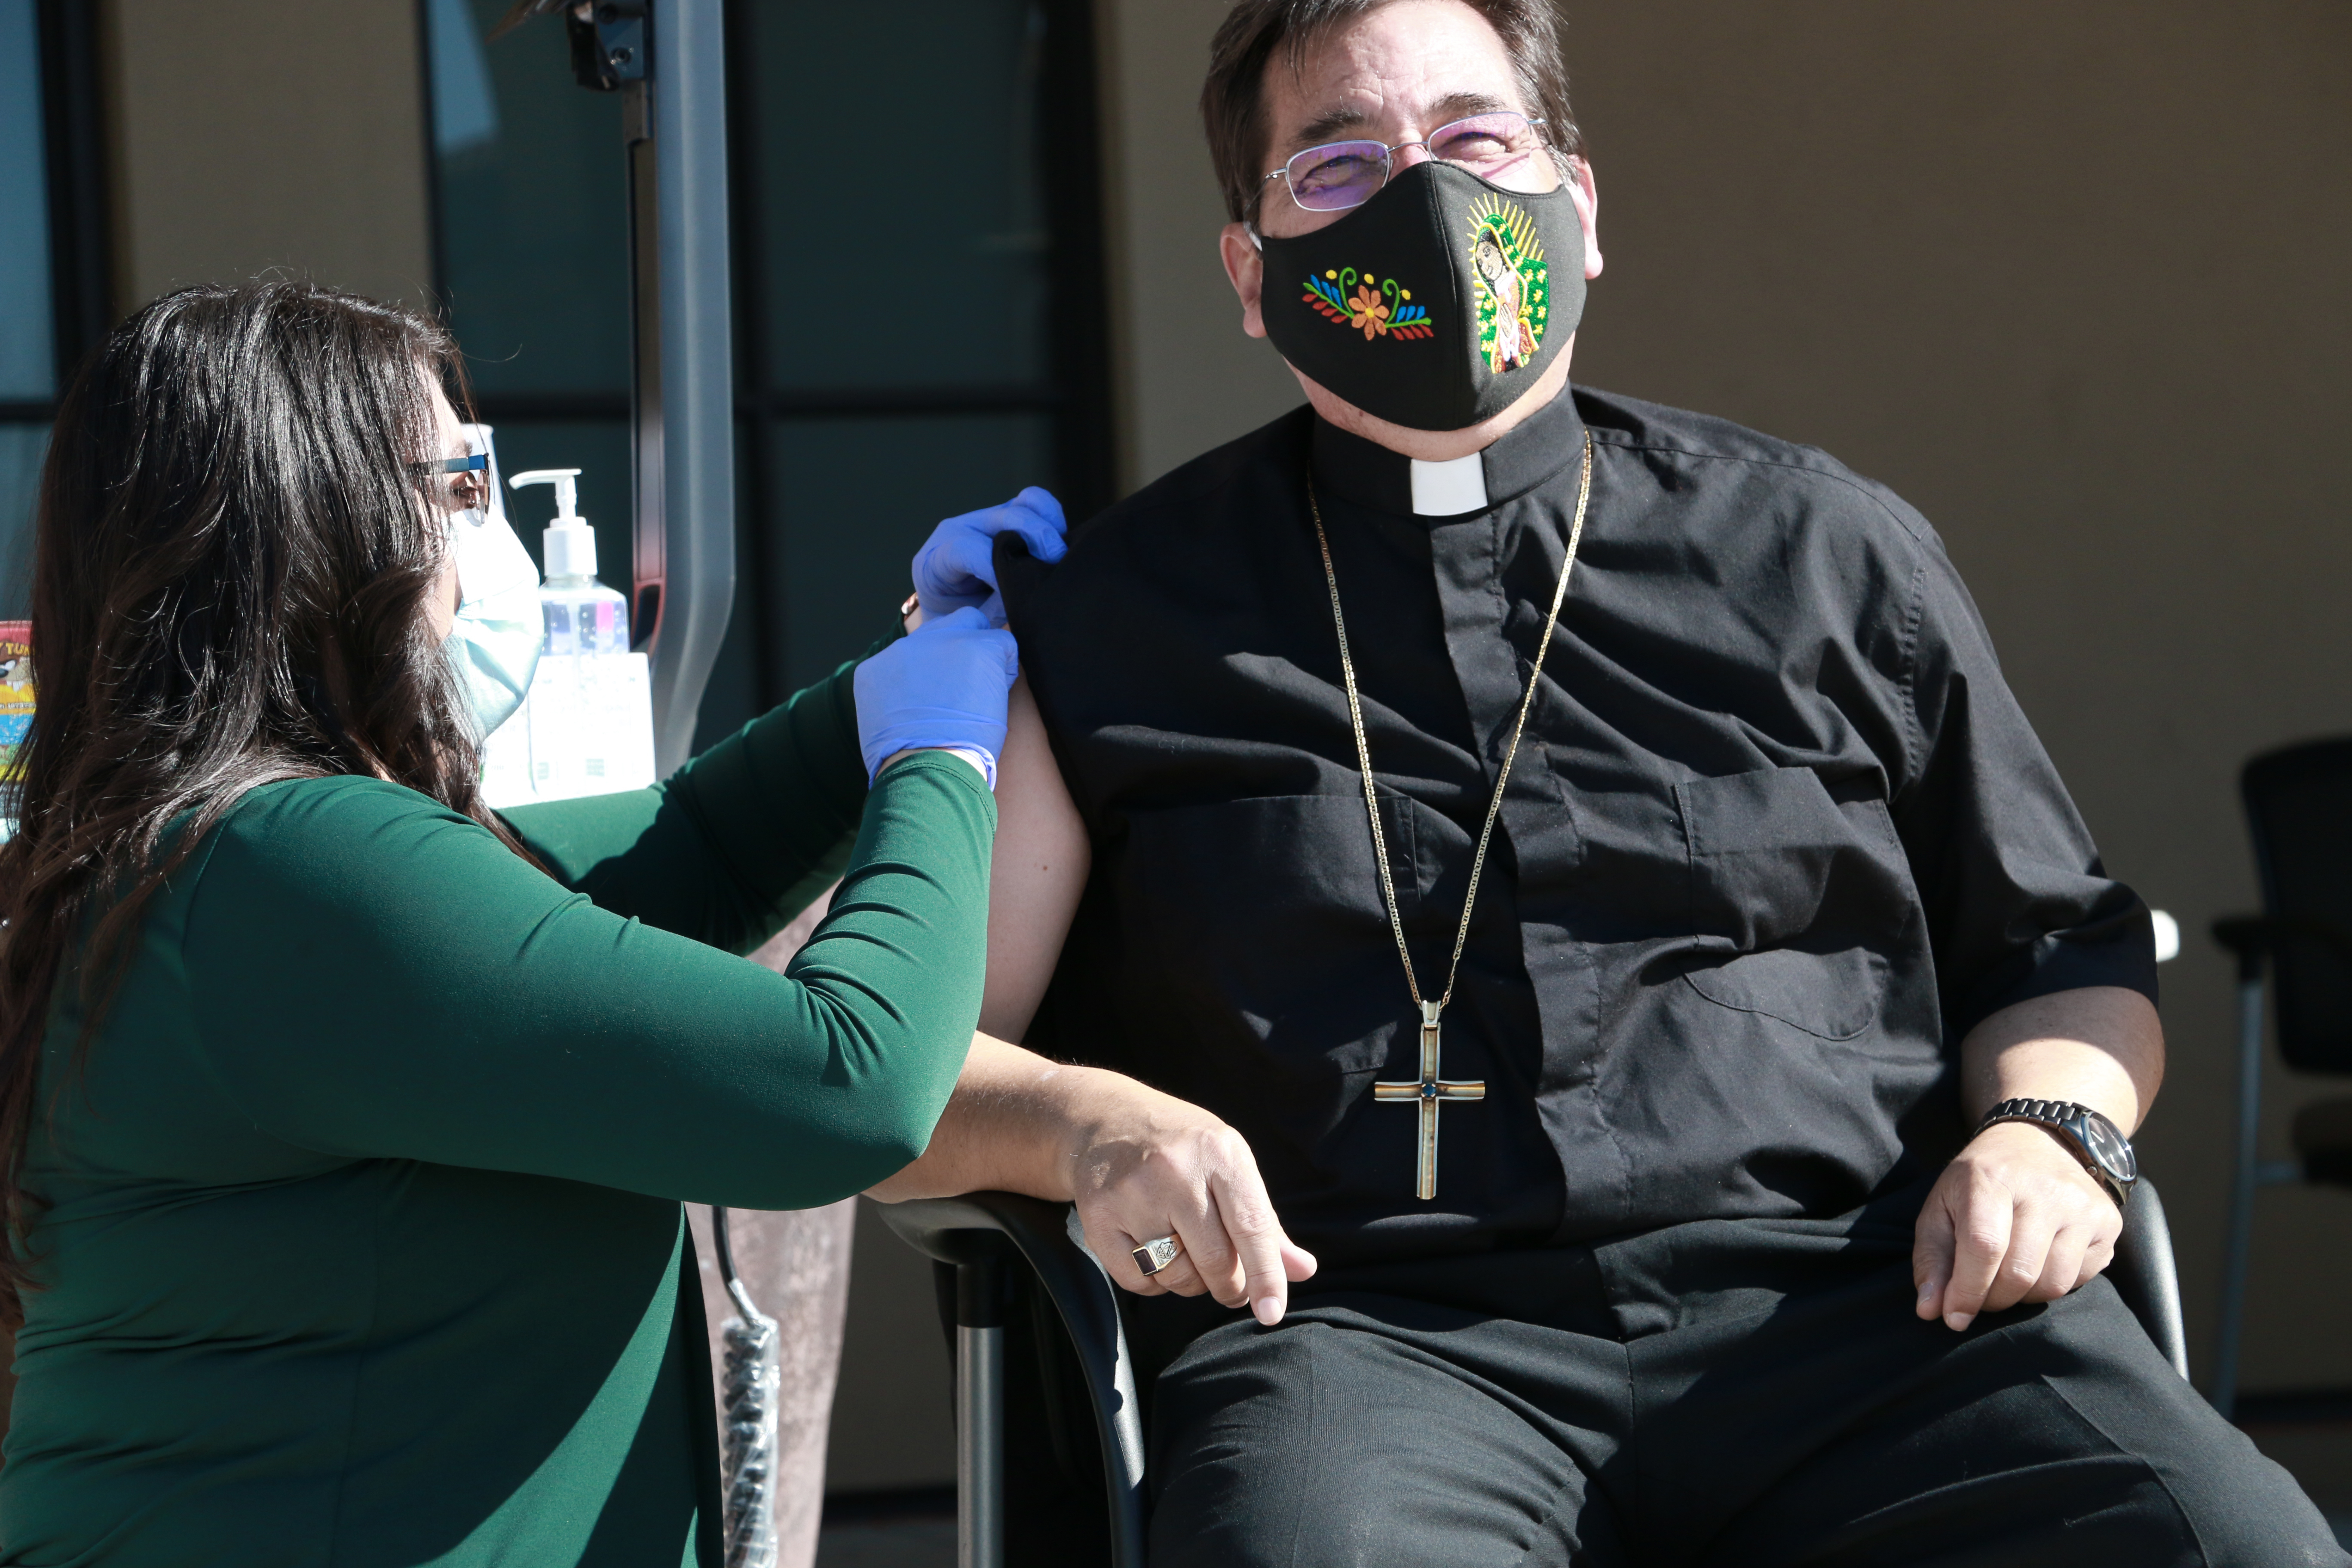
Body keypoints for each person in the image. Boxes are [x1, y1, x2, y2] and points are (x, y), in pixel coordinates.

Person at [875, 2, 2349, 1562]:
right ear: (1251, 272)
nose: (1424, 199)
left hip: (1867, 1312)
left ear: (1577, 207)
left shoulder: (1824, 554)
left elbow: (2062, 949)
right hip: (1370, 1347)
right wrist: (1092, 1128)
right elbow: (906, 1074)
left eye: (1474, 138)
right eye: (1337, 164)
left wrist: (2055, 1131)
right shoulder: (1113, 620)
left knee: (2229, 1545)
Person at [0, 281, 1059, 1565]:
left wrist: (894, 683)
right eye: (455, 489)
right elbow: (854, 1079)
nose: (482, 544)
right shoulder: (298, 867)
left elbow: (695, 850)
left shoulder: (195, 859)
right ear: (313, 526)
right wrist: (942, 754)